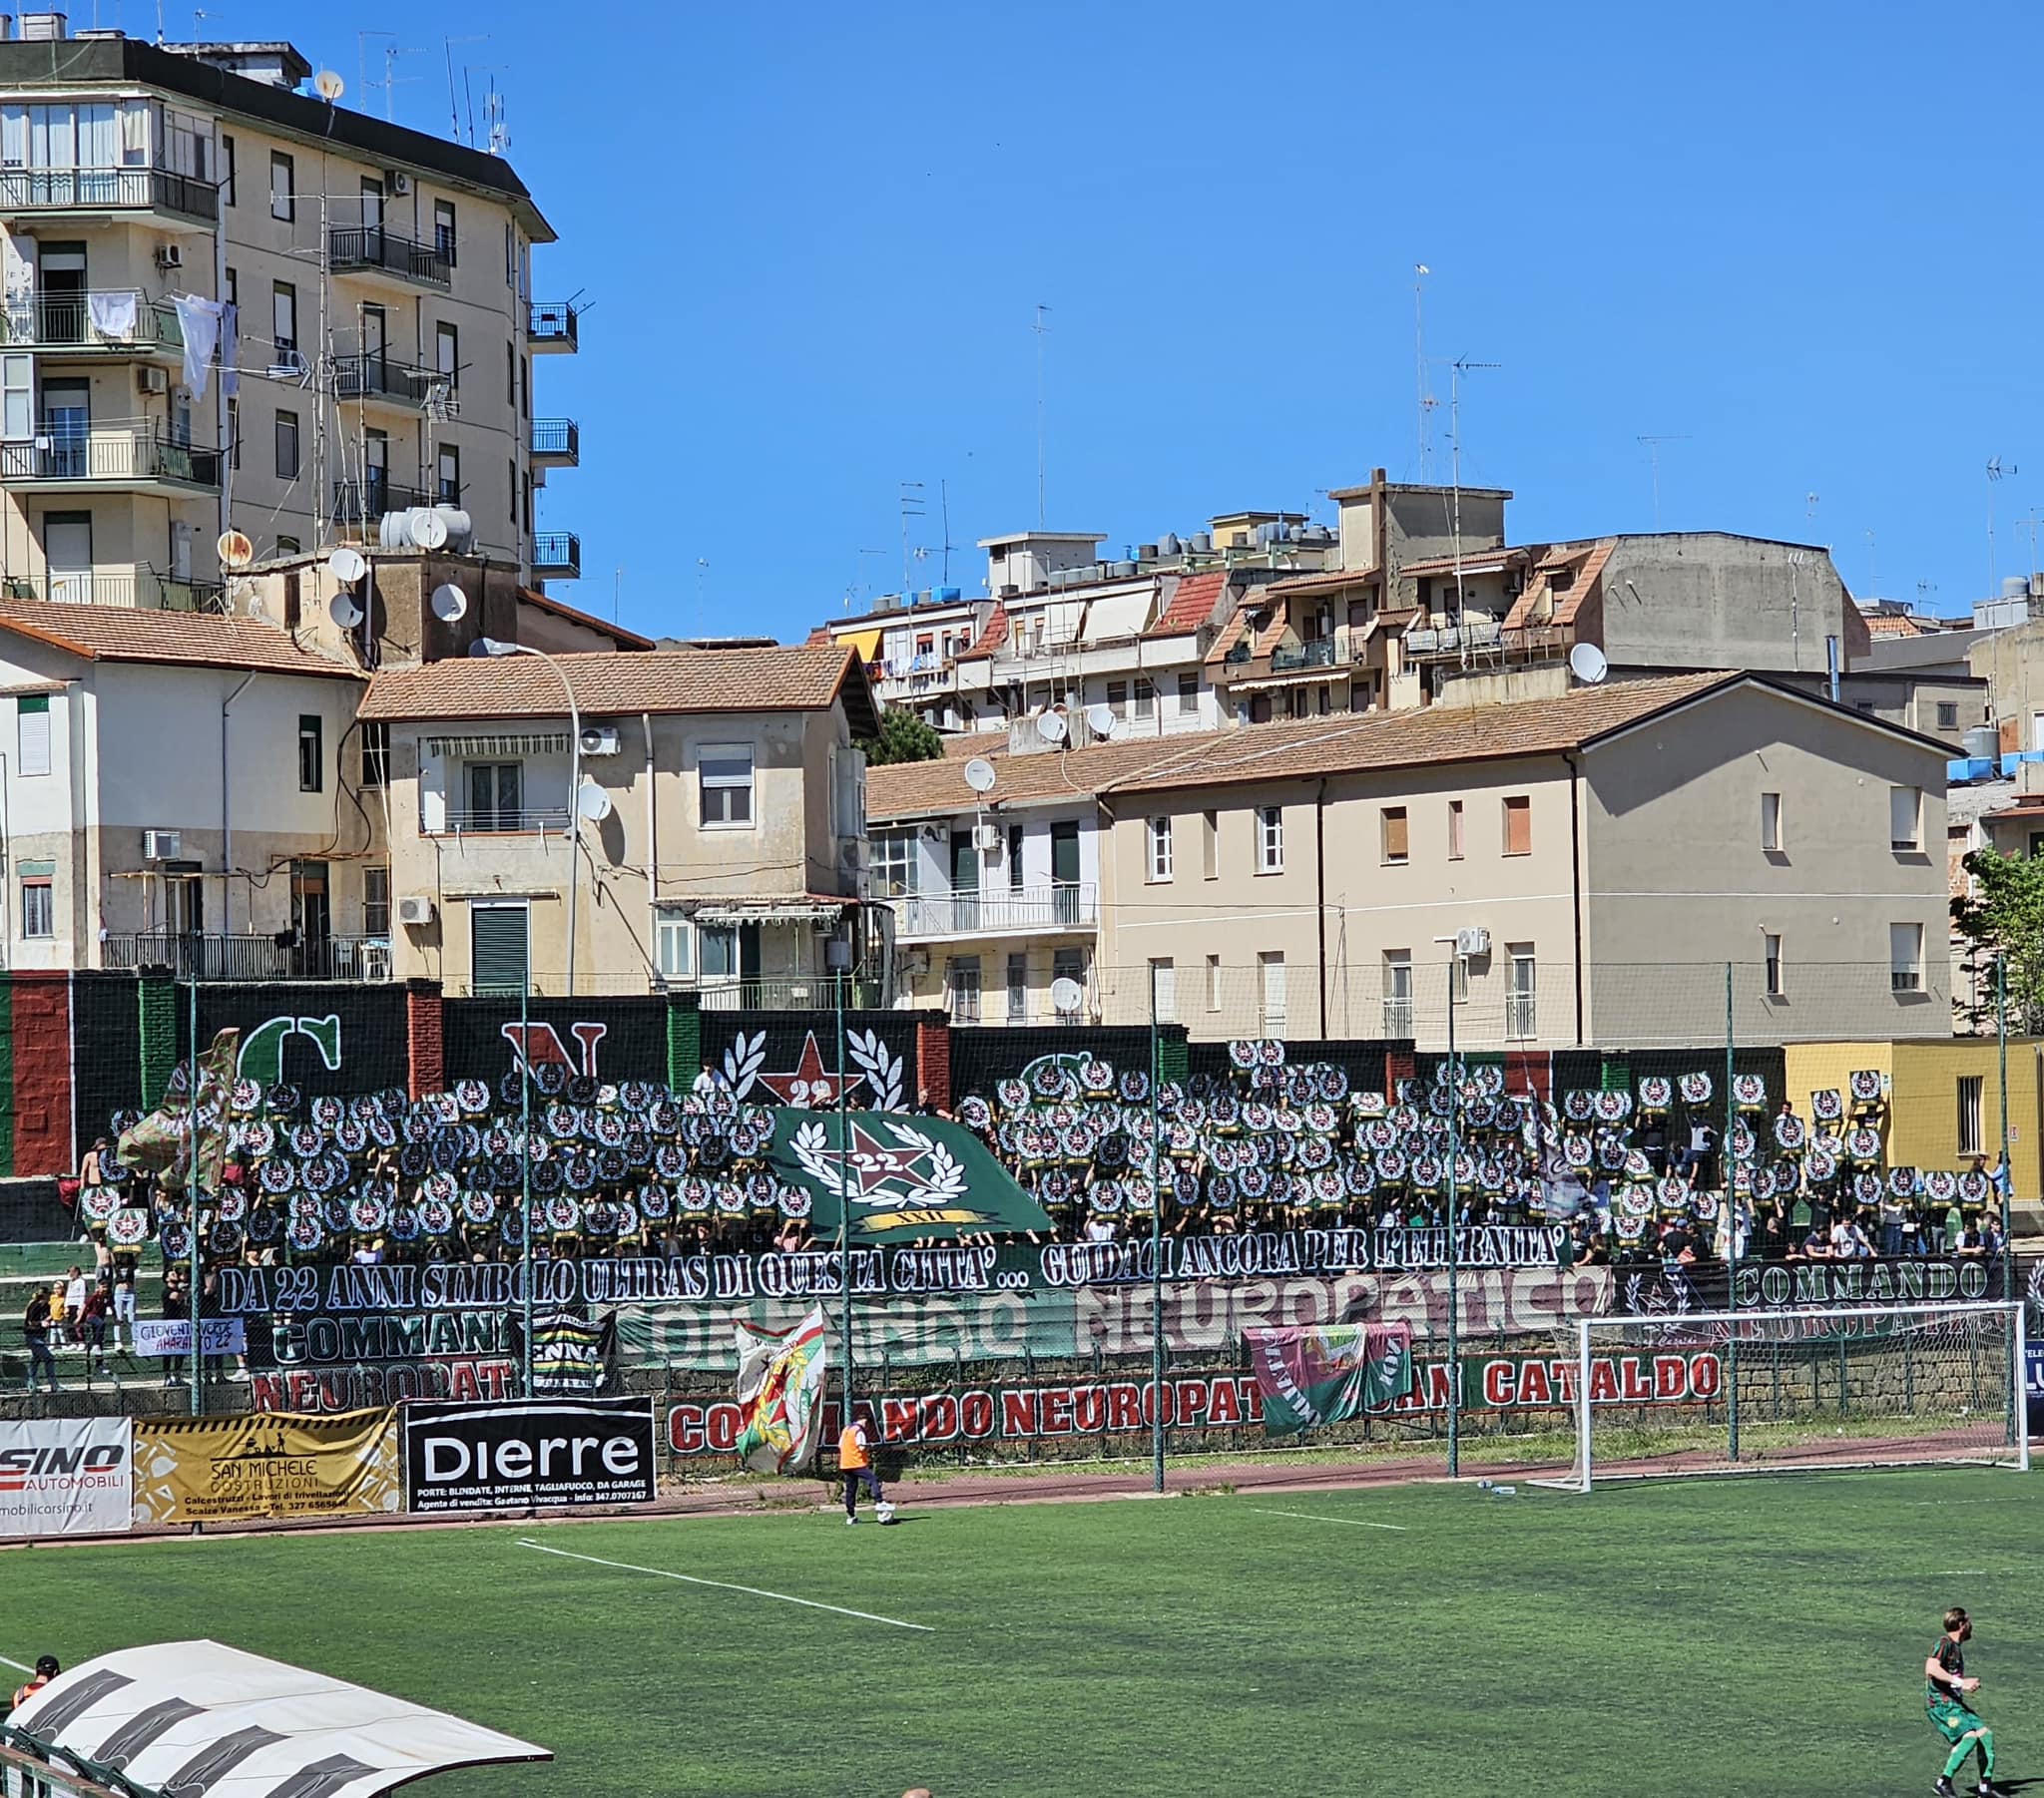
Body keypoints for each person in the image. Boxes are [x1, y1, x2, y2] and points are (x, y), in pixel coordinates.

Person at [1926, 1605, 2005, 1797]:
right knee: (1969, 1737)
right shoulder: (1943, 1643)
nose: (1971, 1626)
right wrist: (1961, 1682)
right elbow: (1931, 1668)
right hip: (1941, 1706)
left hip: (1955, 1705)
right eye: (1968, 1622)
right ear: (1961, 1624)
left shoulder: (1956, 1648)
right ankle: (1942, 1782)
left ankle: (1985, 1788)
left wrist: (1965, 1684)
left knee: (1986, 1735)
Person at [838, 1415, 886, 1526]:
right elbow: (861, 1447)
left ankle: (851, 1516)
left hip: (845, 1464)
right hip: (856, 1463)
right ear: (866, 1421)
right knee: (873, 1479)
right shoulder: (859, 1431)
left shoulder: (846, 1429)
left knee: (850, 1490)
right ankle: (879, 1502)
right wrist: (870, 1445)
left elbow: (840, 1445)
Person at [22, 1285, 57, 1393]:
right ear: (44, 1295)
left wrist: (48, 1319)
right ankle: (53, 1384)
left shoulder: (46, 1306)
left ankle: (31, 1385)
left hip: (41, 1336)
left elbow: (49, 1316)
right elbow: (31, 1322)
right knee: (49, 1358)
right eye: (48, 1295)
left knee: (35, 1360)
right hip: (33, 1337)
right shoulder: (35, 1305)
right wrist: (42, 1323)